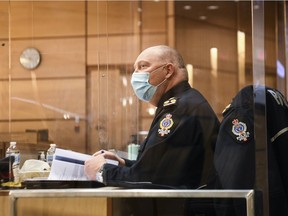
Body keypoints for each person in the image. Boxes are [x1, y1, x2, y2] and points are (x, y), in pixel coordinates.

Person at [84, 45, 220, 189]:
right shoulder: (182, 103)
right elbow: (164, 168)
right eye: (135, 68)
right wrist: (124, 163)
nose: (135, 74)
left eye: (143, 66)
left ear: (168, 70)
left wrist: (102, 171)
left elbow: (149, 178)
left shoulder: (179, 110)